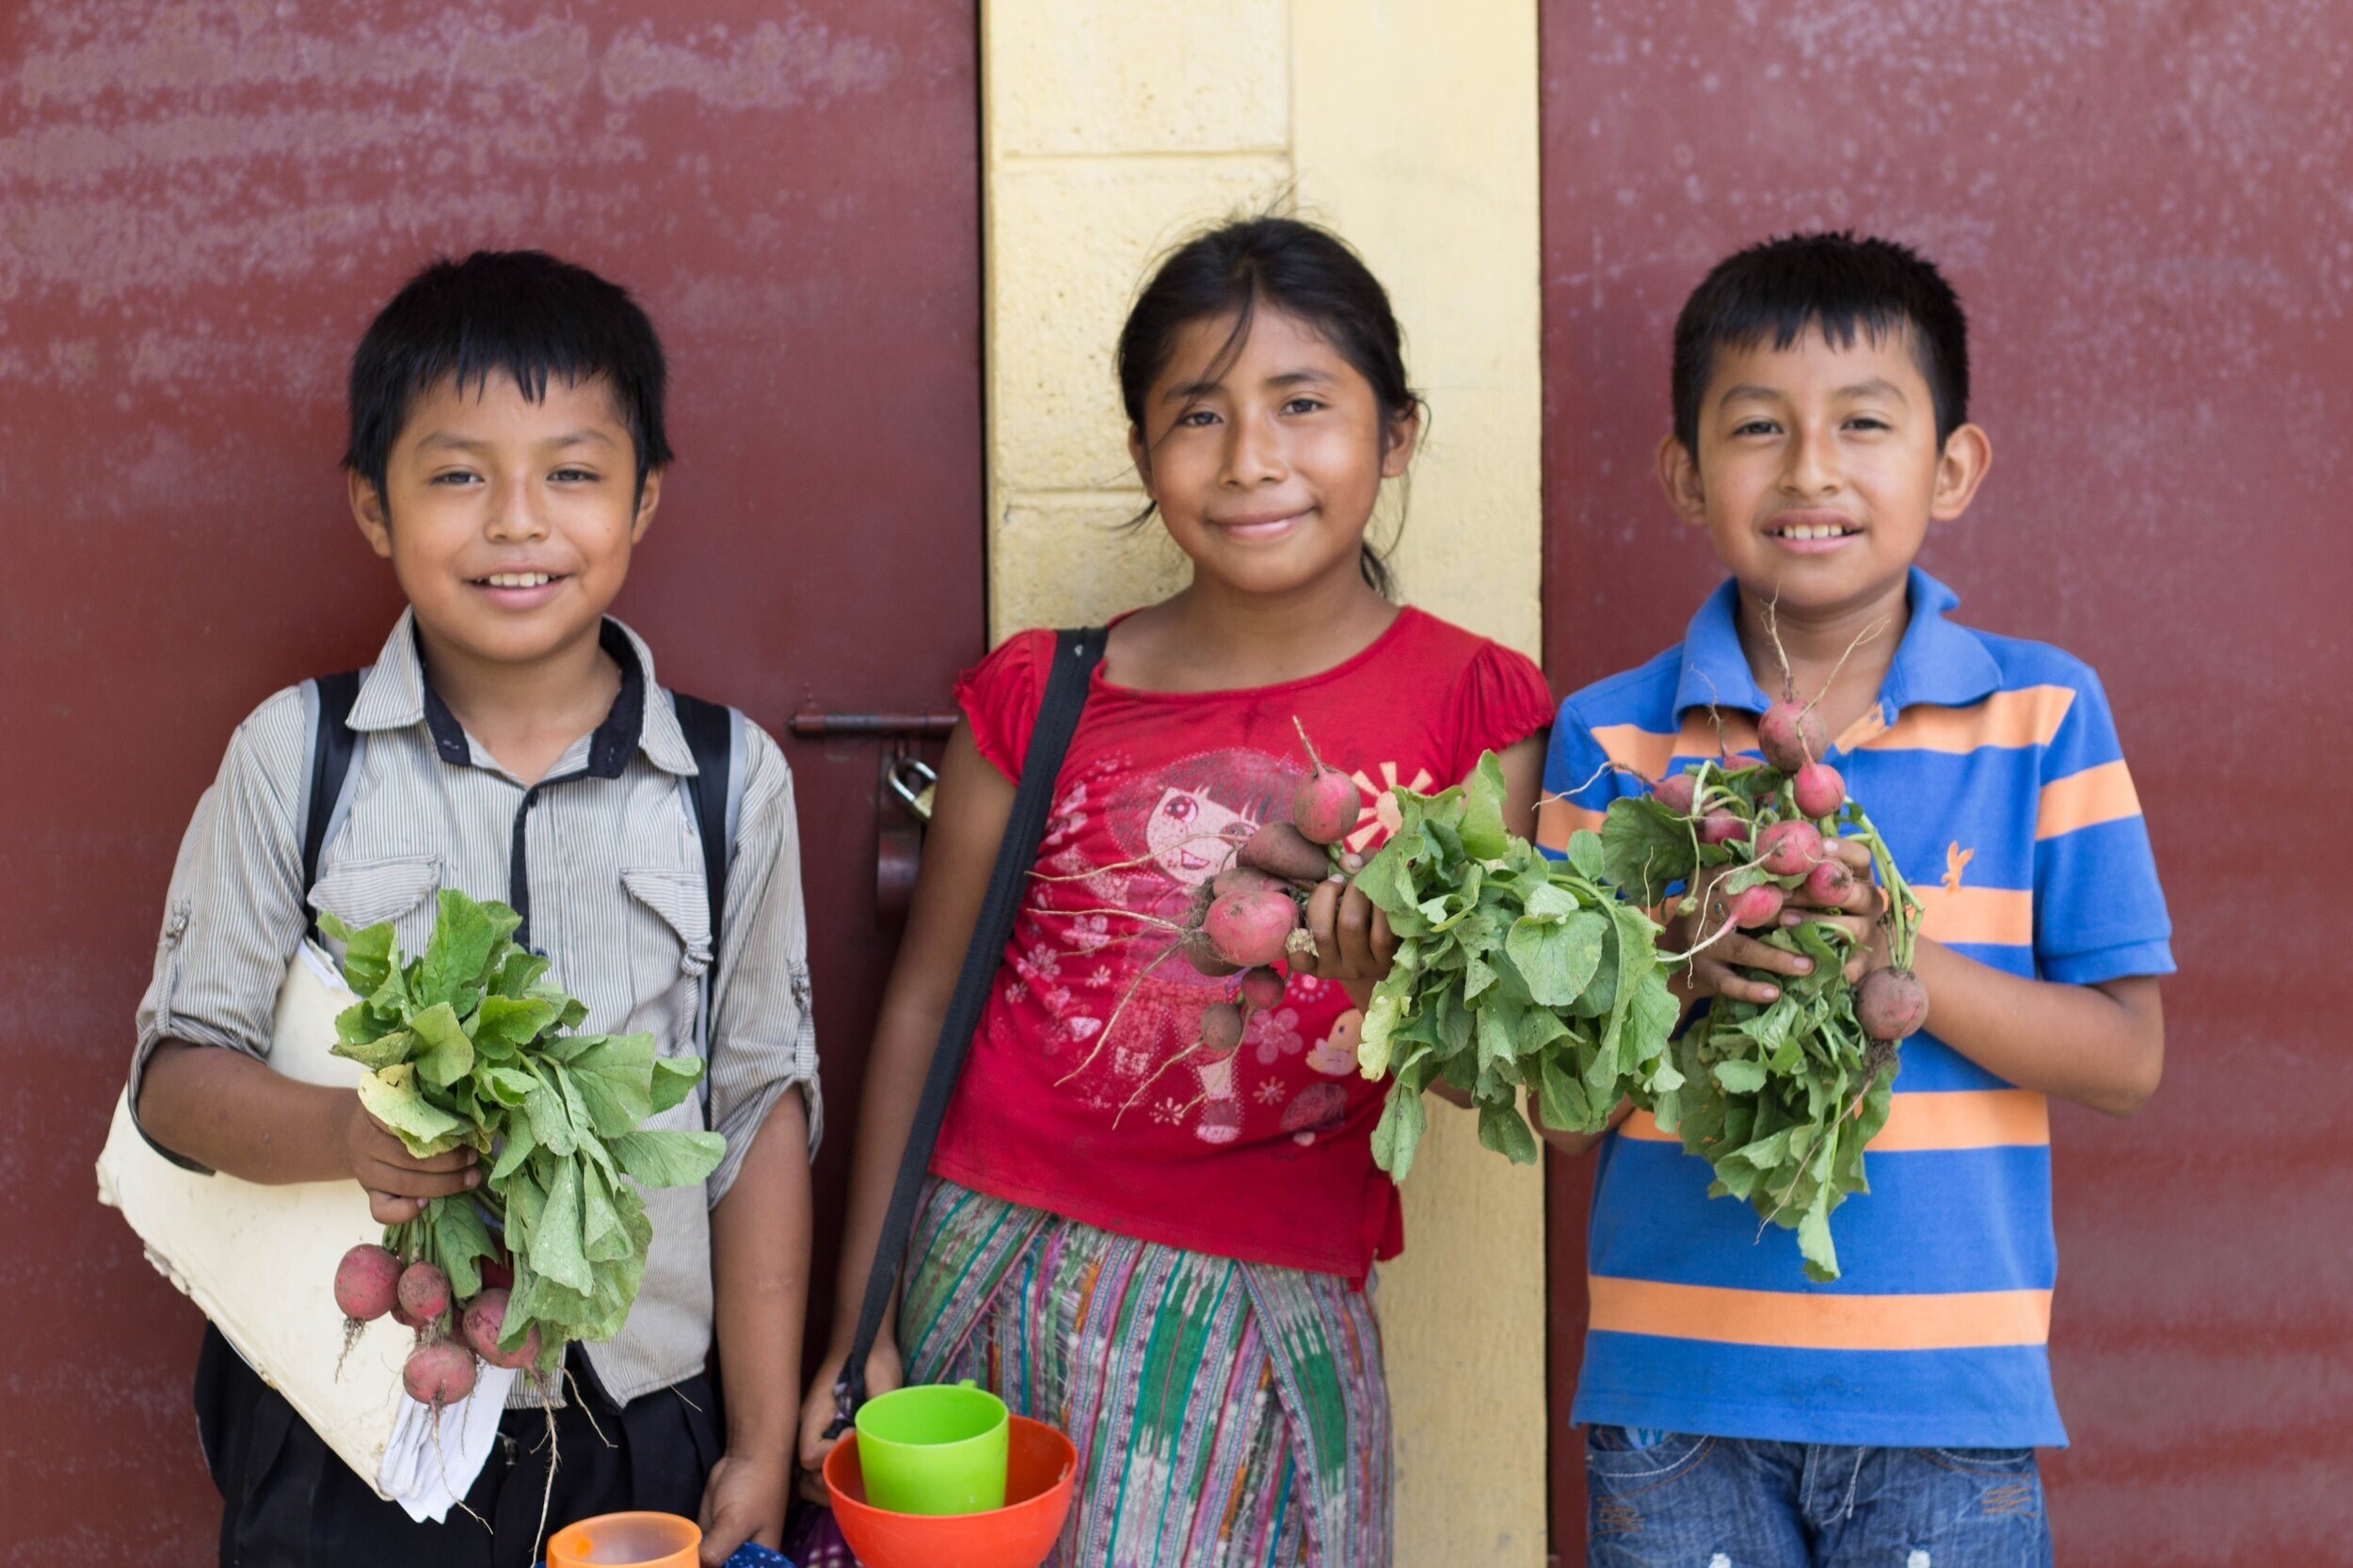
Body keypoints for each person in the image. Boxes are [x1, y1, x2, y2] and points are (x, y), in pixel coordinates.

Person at [796, 216, 1555, 1565]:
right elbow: (920, 1014)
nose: (1253, 457)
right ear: (1143, 450)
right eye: (1198, 413)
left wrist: (1405, 978)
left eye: (1304, 405)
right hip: (991, 1278)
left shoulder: (1471, 712)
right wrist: (864, 1325)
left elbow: (1503, 1076)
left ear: (1399, 435)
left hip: (1270, 1321)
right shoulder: (1047, 693)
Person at [129, 249, 817, 1568]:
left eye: (572, 471)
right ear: (373, 507)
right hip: (356, 1418)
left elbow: (759, 1112)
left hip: (642, 1424)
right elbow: (174, 1081)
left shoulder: (731, 783)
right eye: (457, 473)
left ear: (643, 498)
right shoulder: (297, 753)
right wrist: (348, 1129)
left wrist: (756, 1435)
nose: (517, 520)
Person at [1539, 232, 2173, 1567]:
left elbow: (2126, 1057)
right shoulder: (1617, 740)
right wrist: (1674, 956)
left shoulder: (2042, 713)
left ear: (1951, 468)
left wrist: (1908, 959)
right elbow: (1553, 1101)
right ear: (1684, 472)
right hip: (1676, 1404)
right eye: (1758, 427)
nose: (1811, 470)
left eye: (1863, 425)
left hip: (1948, 1408)